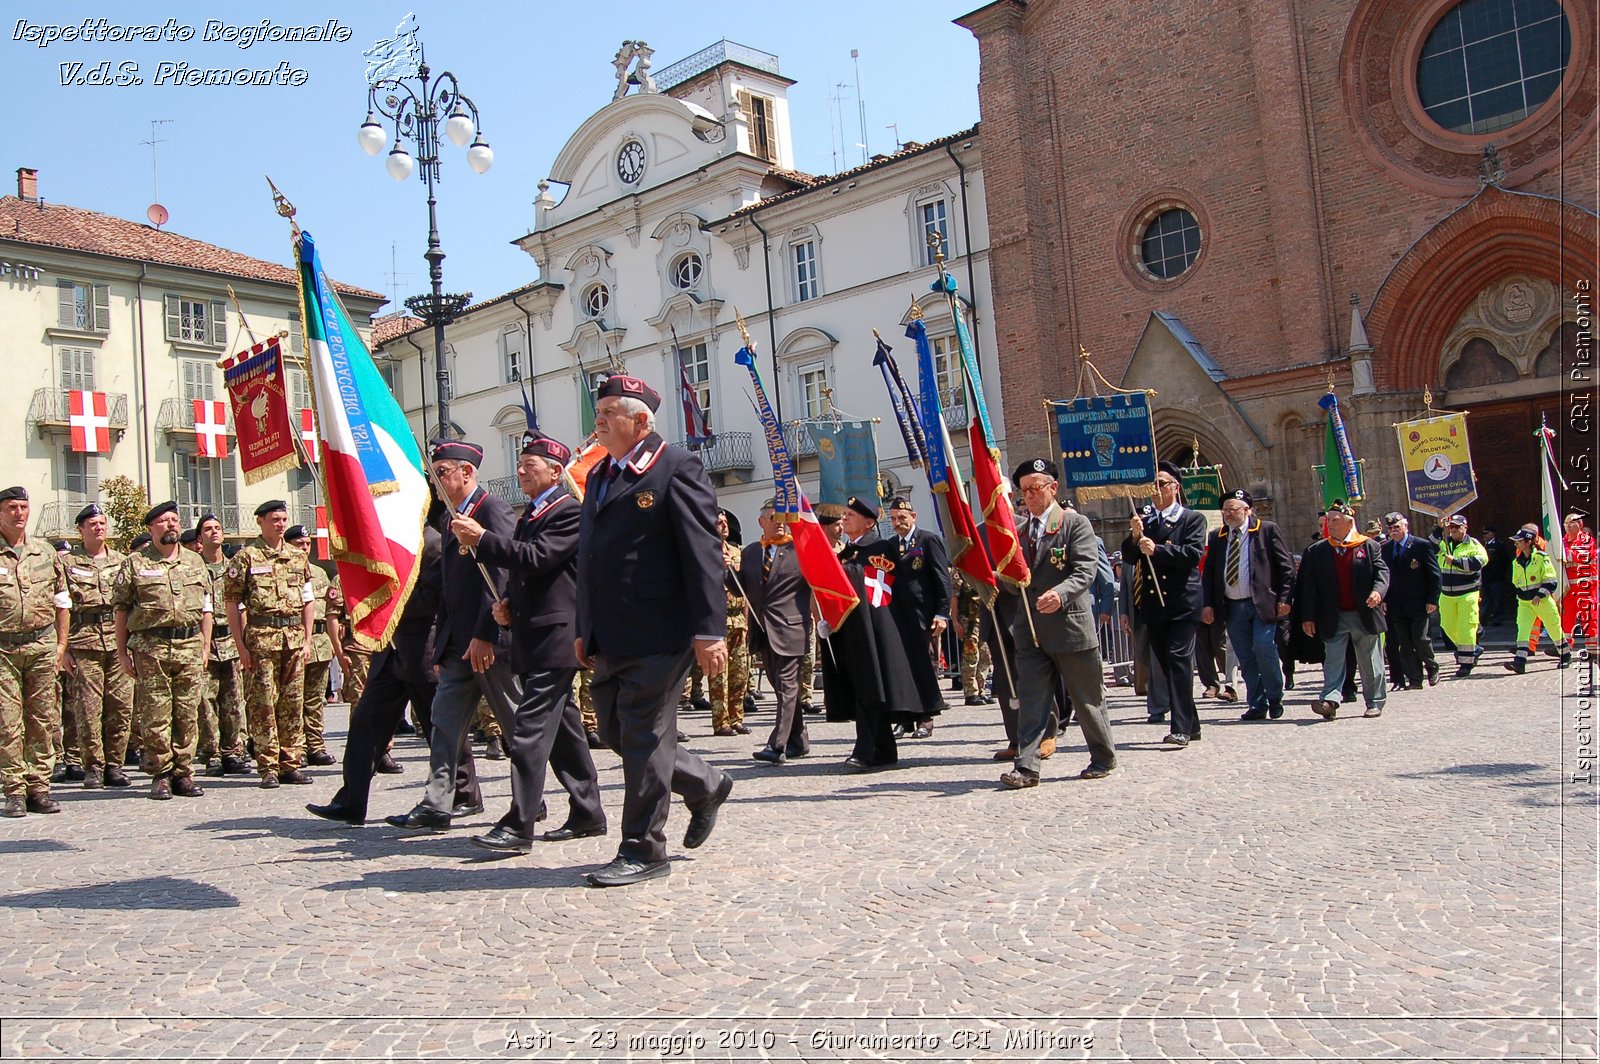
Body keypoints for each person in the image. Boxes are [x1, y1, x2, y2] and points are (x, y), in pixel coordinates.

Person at [574, 375, 733, 887]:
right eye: (597, 414)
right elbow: (590, 558)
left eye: (607, 415)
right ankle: (705, 783)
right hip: (612, 632)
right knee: (618, 732)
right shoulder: (599, 476)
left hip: (661, 630)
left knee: (642, 736)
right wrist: (585, 625)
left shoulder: (675, 466)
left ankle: (644, 849)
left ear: (640, 421)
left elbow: (703, 552)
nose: (597, 423)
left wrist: (710, 629)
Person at [455, 430, 606, 853]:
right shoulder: (533, 513)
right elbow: (532, 574)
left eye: (530, 466)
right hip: (534, 632)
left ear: (556, 472)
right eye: (519, 465)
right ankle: (587, 811)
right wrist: (507, 603)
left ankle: (519, 822)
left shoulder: (567, 511)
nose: (521, 471)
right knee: (565, 733)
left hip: (556, 636)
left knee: (529, 731)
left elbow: (540, 558)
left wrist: (482, 539)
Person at [307, 516, 482, 826]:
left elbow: (432, 600)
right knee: (366, 721)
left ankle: (465, 796)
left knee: (440, 726)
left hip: (423, 650)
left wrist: (385, 598)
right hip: (390, 650)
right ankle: (351, 800)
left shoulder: (434, 544)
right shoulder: (389, 545)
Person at [387, 439, 521, 832]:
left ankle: (531, 800)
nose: (437, 480)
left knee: (517, 727)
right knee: (444, 723)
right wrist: (442, 647)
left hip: (491, 644)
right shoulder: (450, 518)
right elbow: (449, 589)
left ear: (468, 472)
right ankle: (437, 802)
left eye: (443, 471)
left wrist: (486, 635)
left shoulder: (491, 509)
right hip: (458, 648)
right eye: (434, 474)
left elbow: (501, 578)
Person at [1000, 459, 1117, 787]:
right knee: (1033, 700)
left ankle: (1103, 755)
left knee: (1086, 698)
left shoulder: (1074, 524)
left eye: (1035, 488)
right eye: (1024, 491)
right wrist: (1004, 573)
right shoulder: (1019, 533)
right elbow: (1016, 585)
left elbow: (1085, 570)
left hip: (1069, 628)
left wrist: (1060, 594)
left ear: (1052, 488)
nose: (1029, 496)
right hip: (1031, 632)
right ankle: (1026, 767)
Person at [112, 501, 213, 800]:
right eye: (163, 521)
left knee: (187, 712)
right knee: (156, 714)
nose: (170, 525)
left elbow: (206, 608)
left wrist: (206, 646)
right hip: (150, 647)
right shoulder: (135, 563)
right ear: (150, 528)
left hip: (190, 645)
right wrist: (121, 652)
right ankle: (160, 774)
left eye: (174, 520)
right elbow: (121, 609)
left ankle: (184, 773)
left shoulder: (195, 562)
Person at [223, 500, 316, 788]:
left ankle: (290, 762)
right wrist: (240, 647)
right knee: (263, 704)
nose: (280, 524)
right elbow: (231, 603)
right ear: (260, 521)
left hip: (293, 638)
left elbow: (307, 600)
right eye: (274, 519)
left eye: (283, 519)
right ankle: (268, 765)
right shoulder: (246, 558)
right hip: (261, 639)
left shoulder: (297, 557)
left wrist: (308, 639)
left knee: (292, 702)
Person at [1121, 463, 1207, 747]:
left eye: (1161, 484)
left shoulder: (1191, 519)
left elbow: (1193, 553)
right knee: (1169, 666)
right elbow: (1131, 557)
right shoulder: (1146, 520)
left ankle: (1180, 727)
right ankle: (1191, 722)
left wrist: (1159, 550)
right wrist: (1134, 536)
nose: (1155, 491)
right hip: (1154, 605)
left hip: (1181, 602)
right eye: (1152, 485)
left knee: (1178, 660)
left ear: (1175, 487)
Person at [0, 486, 70, 817]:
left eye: (24, 507)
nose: (19, 513)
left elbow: (62, 602)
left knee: (43, 718)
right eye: (12, 507)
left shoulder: (45, 553)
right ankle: (14, 790)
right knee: (8, 722)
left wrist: (60, 645)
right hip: (3, 648)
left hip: (42, 645)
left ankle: (38, 787)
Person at [1200, 488, 1295, 721]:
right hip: (1232, 606)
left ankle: (1275, 696)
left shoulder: (1266, 530)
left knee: (1264, 647)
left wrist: (1284, 598)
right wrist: (1208, 604)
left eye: (1233, 510)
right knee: (1245, 656)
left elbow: (1286, 567)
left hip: (1262, 604)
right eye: (1225, 511)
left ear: (1247, 510)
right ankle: (1257, 702)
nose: (1228, 515)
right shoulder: (1217, 536)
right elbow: (1210, 573)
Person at [63, 503, 134, 789]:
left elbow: (132, 602)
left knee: (120, 705)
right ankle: (93, 765)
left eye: (102, 523)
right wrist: (64, 648)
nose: (98, 528)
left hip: (117, 641)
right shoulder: (67, 563)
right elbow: (60, 606)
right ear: (81, 530)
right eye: (92, 524)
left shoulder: (122, 561)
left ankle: (115, 764)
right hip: (84, 641)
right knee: (88, 708)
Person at [739, 499, 814, 765]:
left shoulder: (800, 550)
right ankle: (799, 740)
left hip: (791, 629)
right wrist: (725, 570)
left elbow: (819, 581)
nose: (780, 522)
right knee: (780, 686)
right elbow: (740, 589)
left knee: (786, 687)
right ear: (761, 522)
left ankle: (777, 744)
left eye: (783, 517)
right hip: (763, 631)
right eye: (773, 517)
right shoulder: (750, 552)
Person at [1299, 502, 1390, 719]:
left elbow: (1382, 573)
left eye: (1334, 519)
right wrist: (1308, 617)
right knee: (1333, 659)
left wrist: (1378, 592)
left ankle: (1374, 701)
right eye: (1328, 520)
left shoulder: (1368, 546)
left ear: (1349, 521)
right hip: (1333, 615)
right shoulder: (1317, 550)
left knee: (1369, 660)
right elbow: (1309, 587)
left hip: (1364, 613)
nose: (1329, 523)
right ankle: (1330, 700)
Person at [884, 496, 950, 738]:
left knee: (926, 666)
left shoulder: (928, 540)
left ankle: (926, 717)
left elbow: (942, 579)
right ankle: (905, 718)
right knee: (901, 669)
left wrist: (942, 613)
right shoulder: (890, 545)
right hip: (899, 617)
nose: (898, 522)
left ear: (913, 516)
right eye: (893, 519)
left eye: (902, 517)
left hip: (925, 615)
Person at [191, 514, 248, 777]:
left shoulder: (234, 567)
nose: (213, 532)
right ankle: (211, 753)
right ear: (199, 537)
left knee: (234, 700)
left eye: (217, 528)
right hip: (202, 642)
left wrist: (245, 642)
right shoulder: (193, 567)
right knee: (205, 702)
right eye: (207, 529)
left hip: (230, 640)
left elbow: (242, 606)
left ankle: (233, 751)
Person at [287, 526, 339, 768]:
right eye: (299, 544)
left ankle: (316, 745)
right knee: (293, 700)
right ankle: (295, 748)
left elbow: (330, 610)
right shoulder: (285, 571)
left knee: (315, 699)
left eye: (307, 544)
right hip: (294, 642)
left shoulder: (319, 573)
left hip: (320, 643)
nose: (305, 548)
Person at [1379, 512, 1441, 691]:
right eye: (1390, 528)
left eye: (1397, 527)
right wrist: (1384, 598)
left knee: (1420, 639)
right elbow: (1385, 576)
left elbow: (1434, 574)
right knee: (1404, 644)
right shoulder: (1386, 549)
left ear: (1406, 526)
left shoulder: (1421, 545)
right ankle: (1415, 679)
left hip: (1419, 603)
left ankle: (1432, 667)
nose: (1393, 531)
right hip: (1397, 604)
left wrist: (1432, 599)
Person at [1505, 527, 1572, 673]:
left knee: (1554, 628)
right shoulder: (1516, 562)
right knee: (1522, 631)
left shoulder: (1542, 558)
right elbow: (1516, 583)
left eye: (1519, 541)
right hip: (1524, 602)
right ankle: (1520, 662)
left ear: (1528, 542)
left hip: (1542, 601)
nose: (1515, 544)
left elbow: (1551, 580)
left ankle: (1565, 655)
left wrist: (1539, 595)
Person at [709, 509, 751, 737]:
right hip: (718, 618)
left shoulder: (737, 552)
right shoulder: (705, 552)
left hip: (738, 618)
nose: (723, 526)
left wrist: (747, 619)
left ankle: (737, 718)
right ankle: (720, 721)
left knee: (740, 673)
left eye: (725, 522)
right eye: (718, 523)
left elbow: (743, 590)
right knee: (719, 675)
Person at [1435, 514, 1488, 676]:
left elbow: (1481, 561)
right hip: (1446, 593)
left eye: (1457, 527)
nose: (1453, 530)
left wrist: (1456, 562)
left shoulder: (1473, 544)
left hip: (1467, 593)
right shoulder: (1445, 543)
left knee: (1466, 628)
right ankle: (1473, 649)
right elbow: (1429, 547)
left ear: (1465, 527)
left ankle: (1466, 664)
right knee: (1447, 625)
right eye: (1451, 527)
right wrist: (1439, 528)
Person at [1562, 513, 1597, 655]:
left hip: (1585, 586)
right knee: (1566, 617)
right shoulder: (1562, 541)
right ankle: (1565, 649)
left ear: (1580, 525)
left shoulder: (1587, 539)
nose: (1569, 526)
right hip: (1567, 588)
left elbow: (1582, 555)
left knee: (1588, 617)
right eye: (1566, 523)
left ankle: (1593, 649)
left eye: (1572, 523)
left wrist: (1562, 554)